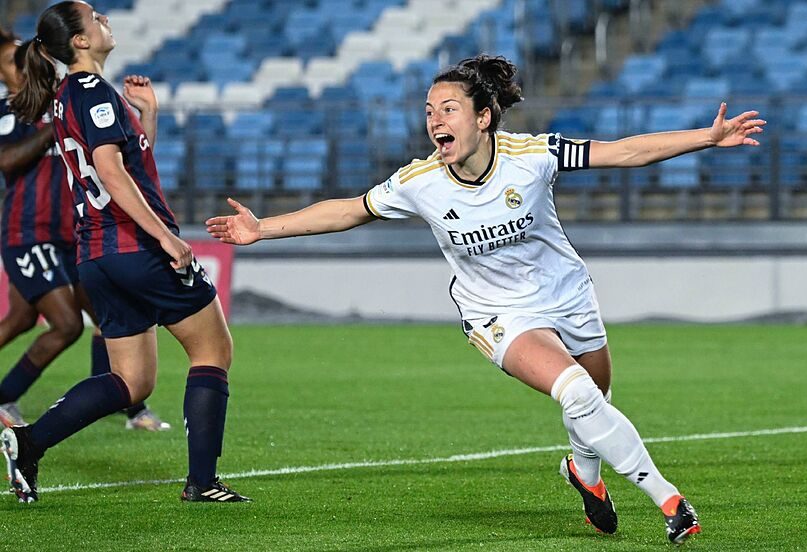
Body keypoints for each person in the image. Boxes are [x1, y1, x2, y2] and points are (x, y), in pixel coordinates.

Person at [208, 55, 765, 543]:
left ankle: (585, 474)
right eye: (429, 110)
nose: (434, 120)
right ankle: (670, 502)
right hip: (498, 314)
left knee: (595, 398)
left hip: (568, 293)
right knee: (575, 394)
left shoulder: (533, 154)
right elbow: (350, 209)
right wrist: (264, 229)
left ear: (483, 117)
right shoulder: (419, 180)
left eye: (448, 108)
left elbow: (622, 152)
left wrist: (705, 138)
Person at [1, 1, 247, 503]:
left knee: (131, 381)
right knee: (212, 350)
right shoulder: (93, 93)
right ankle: (202, 482)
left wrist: (147, 118)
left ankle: (29, 442)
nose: (104, 18)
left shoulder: (68, 96)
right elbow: (111, 174)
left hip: (97, 255)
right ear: (80, 41)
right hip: (135, 246)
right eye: (93, 16)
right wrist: (165, 236)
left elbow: (125, 167)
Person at [0, 28, 169, 432]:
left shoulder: (72, 99)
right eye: (10, 61)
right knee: (67, 324)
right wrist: (52, 125)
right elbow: (7, 162)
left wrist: (146, 115)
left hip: (74, 232)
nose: (19, 65)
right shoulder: (14, 111)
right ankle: (6, 396)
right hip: (30, 231)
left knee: (93, 314)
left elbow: (131, 157)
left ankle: (122, 401)